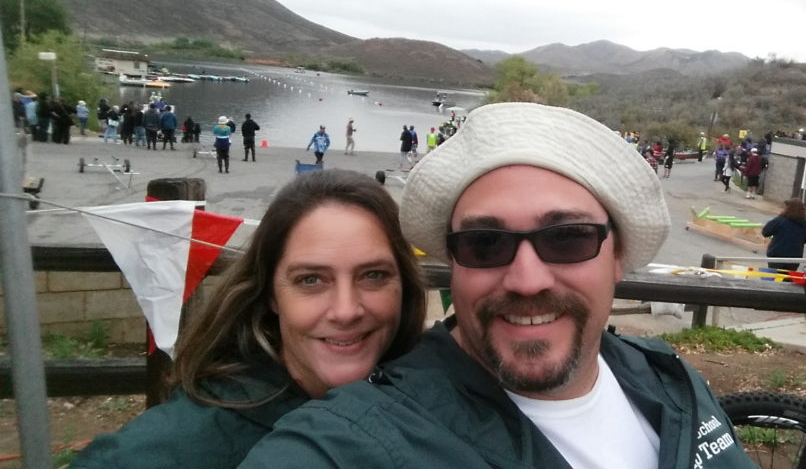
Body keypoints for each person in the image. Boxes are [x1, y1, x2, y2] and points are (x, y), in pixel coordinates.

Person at [241, 102, 754, 469]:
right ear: (456, 264)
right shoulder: (359, 440)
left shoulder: (668, 376)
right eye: (486, 244)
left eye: (567, 238)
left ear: (617, 255)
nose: (527, 280)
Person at [71, 169, 427, 469]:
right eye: (311, 280)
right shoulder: (180, 445)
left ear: (404, 285)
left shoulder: (431, 399)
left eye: (374, 275)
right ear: (271, 293)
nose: (346, 310)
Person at [761, 198, 806, 271]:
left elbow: (765, 232)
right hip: (794, 259)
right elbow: (805, 240)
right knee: (789, 280)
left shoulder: (780, 220)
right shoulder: (804, 224)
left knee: (775, 279)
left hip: (777, 256)